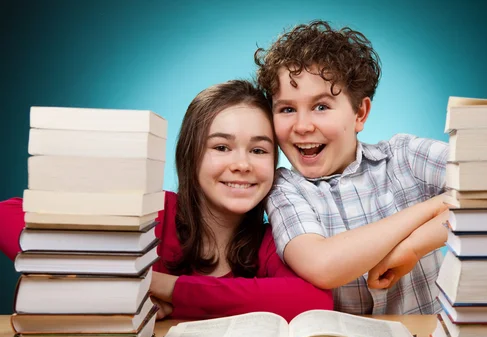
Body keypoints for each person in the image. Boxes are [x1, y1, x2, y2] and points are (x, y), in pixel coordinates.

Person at [0, 80, 333, 322]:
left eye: (258, 150)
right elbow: (8, 215)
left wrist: (167, 288)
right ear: (190, 156)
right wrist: (117, 280)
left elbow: (313, 300)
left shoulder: (272, 240)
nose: (242, 164)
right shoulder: (155, 212)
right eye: (221, 147)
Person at [254, 21, 449, 315]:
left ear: (360, 113)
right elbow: (322, 265)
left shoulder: (404, 157)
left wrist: (415, 246)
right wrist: (434, 207)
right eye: (287, 109)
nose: (303, 126)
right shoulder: (283, 188)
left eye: (321, 106)